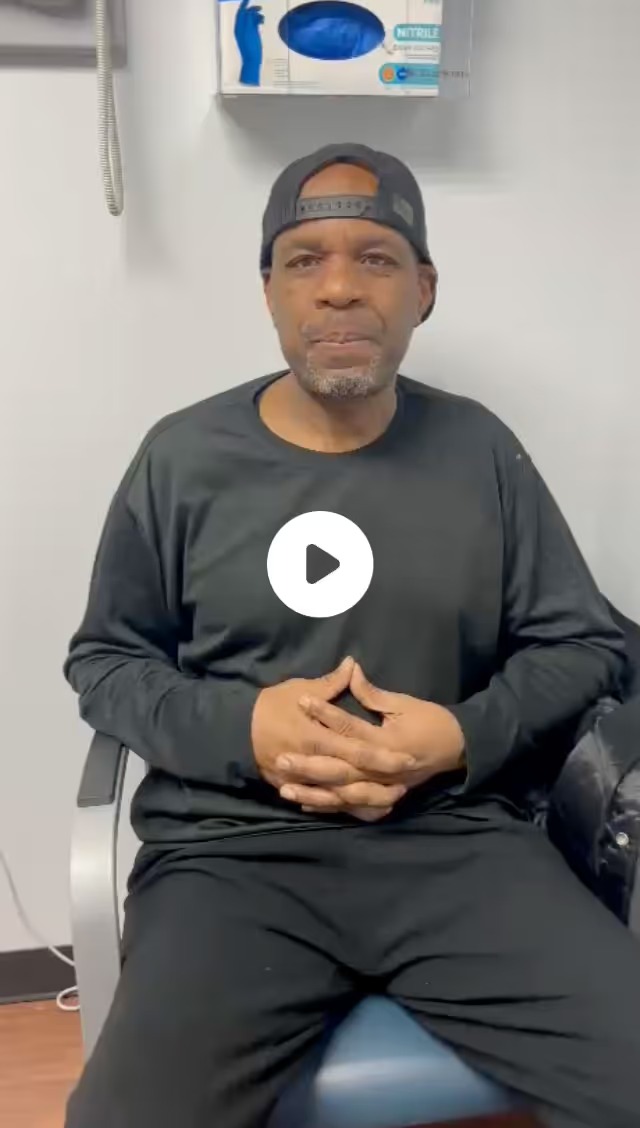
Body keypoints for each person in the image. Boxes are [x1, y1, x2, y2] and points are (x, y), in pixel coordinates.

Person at [63, 143, 640, 1128]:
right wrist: (242, 728)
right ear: (269, 292)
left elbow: (586, 646)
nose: (338, 288)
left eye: (375, 258)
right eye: (305, 261)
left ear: (423, 290)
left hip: (454, 841)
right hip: (231, 856)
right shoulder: (182, 458)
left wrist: (458, 736)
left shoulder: (480, 450)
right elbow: (107, 662)